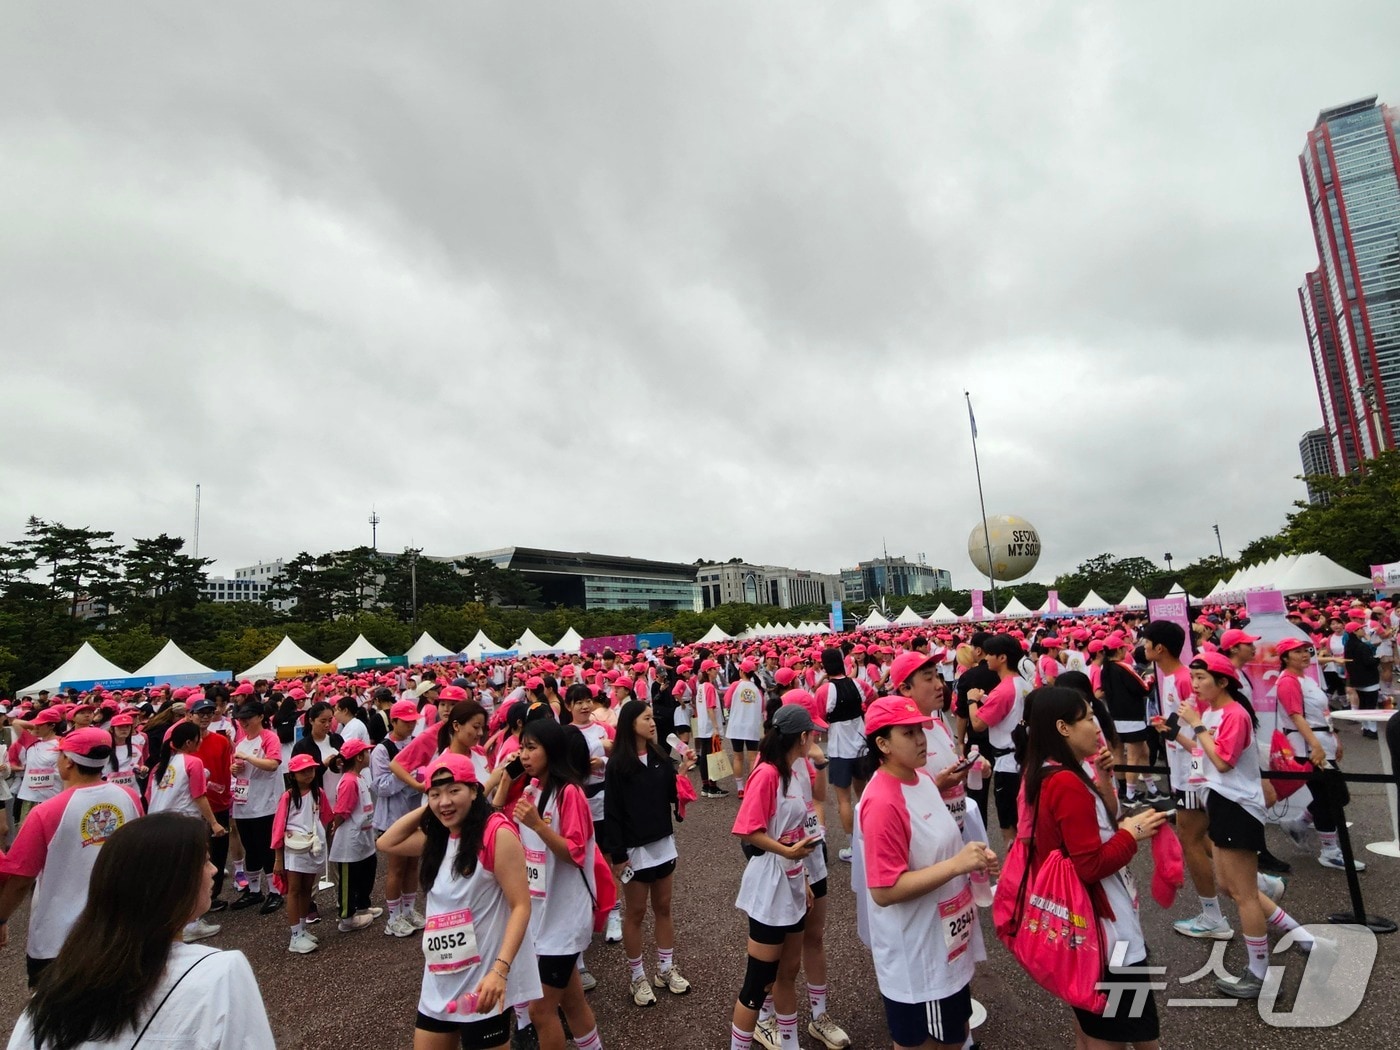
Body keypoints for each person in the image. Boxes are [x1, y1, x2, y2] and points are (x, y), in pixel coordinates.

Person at [6, 812, 276, 1050]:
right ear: (172, 882)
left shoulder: (51, 992)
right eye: (205, 862)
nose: (215, 869)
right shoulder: (221, 972)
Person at [1016, 686, 1166, 1049]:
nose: (1096, 725)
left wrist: (1102, 784)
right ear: (1063, 728)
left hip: (1083, 928)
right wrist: (1133, 833)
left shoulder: (1052, 773)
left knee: (1106, 1026)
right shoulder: (1065, 782)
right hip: (1106, 933)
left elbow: (1094, 829)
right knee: (1116, 1035)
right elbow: (1090, 864)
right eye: (1085, 718)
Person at [1168, 652, 1316, 999]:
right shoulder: (1213, 712)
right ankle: (1302, 937)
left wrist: (1198, 726)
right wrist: (1179, 730)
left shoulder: (1234, 714)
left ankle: (1259, 973)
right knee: (1227, 886)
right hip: (1220, 803)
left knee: (1244, 895)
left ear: (1223, 682)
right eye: (1194, 676)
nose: (1196, 683)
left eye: (1202, 677)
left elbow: (1221, 762)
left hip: (1237, 806)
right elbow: (1203, 753)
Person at [857, 695, 997, 1050]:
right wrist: (958, 864)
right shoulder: (882, 803)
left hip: (945, 945)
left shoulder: (919, 777)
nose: (921, 739)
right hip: (919, 957)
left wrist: (974, 857)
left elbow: (933, 838)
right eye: (908, 733)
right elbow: (884, 890)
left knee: (956, 1034)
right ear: (883, 744)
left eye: (921, 729)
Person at [378, 753, 540, 1050]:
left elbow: (521, 905)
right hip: (439, 979)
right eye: (436, 794)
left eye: (454, 791)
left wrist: (499, 971)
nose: (445, 802)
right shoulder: (437, 840)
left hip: (483, 984)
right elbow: (387, 842)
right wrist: (429, 807)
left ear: (475, 791)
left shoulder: (496, 833)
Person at [0, 728, 144, 987]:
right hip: (119, 930)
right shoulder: (130, 796)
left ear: (67, 762)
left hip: (59, 939)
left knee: (54, 1017)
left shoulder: (46, 812)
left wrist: (2, 918)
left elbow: (21, 878)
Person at [728, 705, 821, 1050]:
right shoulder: (767, 773)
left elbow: (797, 827)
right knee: (759, 981)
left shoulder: (795, 770)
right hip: (769, 882)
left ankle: (790, 1042)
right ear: (801, 737)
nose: (815, 738)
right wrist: (788, 853)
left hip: (794, 880)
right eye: (812, 733)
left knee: (789, 971)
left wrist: (806, 877)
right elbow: (747, 829)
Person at [511, 717, 604, 1050]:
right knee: (573, 1003)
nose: (523, 755)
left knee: (540, 1011)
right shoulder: (531, 790)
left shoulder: (570, 794)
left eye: (531, 748)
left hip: (564, 919)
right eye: (521, 747)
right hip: (543, 915)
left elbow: (575, 853)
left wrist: (538, 826)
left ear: (552, 751)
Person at [603, 698, 693, 1007]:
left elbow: (670, 794)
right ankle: (637, 976)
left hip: (662, 843)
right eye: (646, 718)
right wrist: (617, 855)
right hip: (633, 850)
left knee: (664, 907)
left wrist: (683, 771)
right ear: (630, 724)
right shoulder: (617, 764)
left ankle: (666, 969)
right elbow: (611, 811)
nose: (653, 723)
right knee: (636, 912)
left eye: (653, 717)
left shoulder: (658, 755)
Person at [1274, 637, 1361, 871]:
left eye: (1306, 650)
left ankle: (1299, 823)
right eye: (1297, 651)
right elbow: (1296, 716)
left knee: (1334, 796)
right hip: (1307, 747)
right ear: (1284, 658)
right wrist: (1315, 746)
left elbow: (1321, 713)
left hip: (1322, 740)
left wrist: (1334, 738)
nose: (1304, 654)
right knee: (1330, 797)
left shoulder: (1306, 677)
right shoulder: (1288, 681)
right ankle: (1329, 850)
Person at [966, 633, 1031, 850]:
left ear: (1002, 658)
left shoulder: (1003, 689)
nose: (986, 658)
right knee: (1025, 822)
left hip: (1008, 765)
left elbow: (978, 724)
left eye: (990, 654)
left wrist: (972, 700)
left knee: (1009, 827)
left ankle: (1017, 872)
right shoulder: (1023, 683)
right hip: (1024, 758)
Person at [814, 647, 874, 864]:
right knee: (864, 796)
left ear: (824, 666)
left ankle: (854, 846)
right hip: (862, 744)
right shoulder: (859, 683)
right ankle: (871, 840)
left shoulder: (824, 691)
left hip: (839, 749)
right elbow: (873, 697)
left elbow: (817, 720)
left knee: (844, 800)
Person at [375, 699, 429, 936]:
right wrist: (408, 776)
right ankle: (393, 917)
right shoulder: (382, 749)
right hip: (392, 817)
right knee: (396, 868)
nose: (410, 727)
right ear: (393, 721)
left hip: (414, 813)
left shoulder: (415, 742)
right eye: (405, 723)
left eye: (412, 722)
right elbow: (380, 786)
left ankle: (408, 909)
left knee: (412, 865)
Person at [271, 753, 333, 954]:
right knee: (295, 889)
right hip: (294, 848)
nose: (308, 774)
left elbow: (326, 817)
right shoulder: (288, 797)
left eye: (311, 769)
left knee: (307, 888)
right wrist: (278, 858)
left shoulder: (319, 793)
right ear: (293, 775)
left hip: (312, 846)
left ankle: (302, 929)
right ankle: (295, 935)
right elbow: (278, 827)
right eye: (303, 771)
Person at [229, 702, 284, 915]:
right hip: (244, 803)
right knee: (250, 847)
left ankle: (275, 891)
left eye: (247, 719)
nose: (243, 723)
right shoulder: (240, 742)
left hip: (265, 804)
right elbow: (238, 770)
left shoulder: (269, 738)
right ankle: (253, 890)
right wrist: (235, 769)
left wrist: (249, 758)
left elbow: (273, 763)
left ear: (260, 717)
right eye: (240, 720)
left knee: (266, 848)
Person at [327, 738, 380, 932]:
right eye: (365, 752)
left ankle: (363, 906)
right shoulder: (349, 781)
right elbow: (342, 810)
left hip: (363, 835)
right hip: (351, 838)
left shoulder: (358, 777)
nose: (368, 755)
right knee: (349, 878)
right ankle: (347, 918)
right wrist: (335, 825)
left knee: (367, 870)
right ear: (358, 757)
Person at [725, 660, 766, 799]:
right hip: (751, 726)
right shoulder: (757, 688)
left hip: (736, 726)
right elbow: (762, 708)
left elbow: (726, 702)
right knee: (753, 758)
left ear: (741, 671)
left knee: (738, 757)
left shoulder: (736, 685)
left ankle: (740, 788)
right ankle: (752, 786)